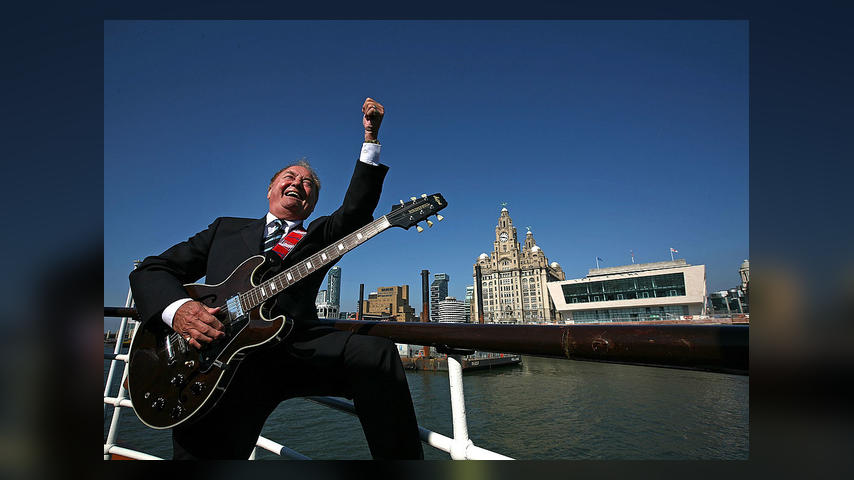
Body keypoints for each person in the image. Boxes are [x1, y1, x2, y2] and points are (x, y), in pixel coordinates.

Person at [129, 98, 424, 460]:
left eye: (309, 184)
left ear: (312, 204)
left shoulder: (317, 234)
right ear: (270, 190)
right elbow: (151, 270)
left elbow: (355, 211)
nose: (299, 183)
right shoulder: (225, 229)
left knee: (375, 353)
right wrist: (179, 311)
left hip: (293, 350)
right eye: (290, 177)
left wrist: (370, 137)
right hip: (217, 358)